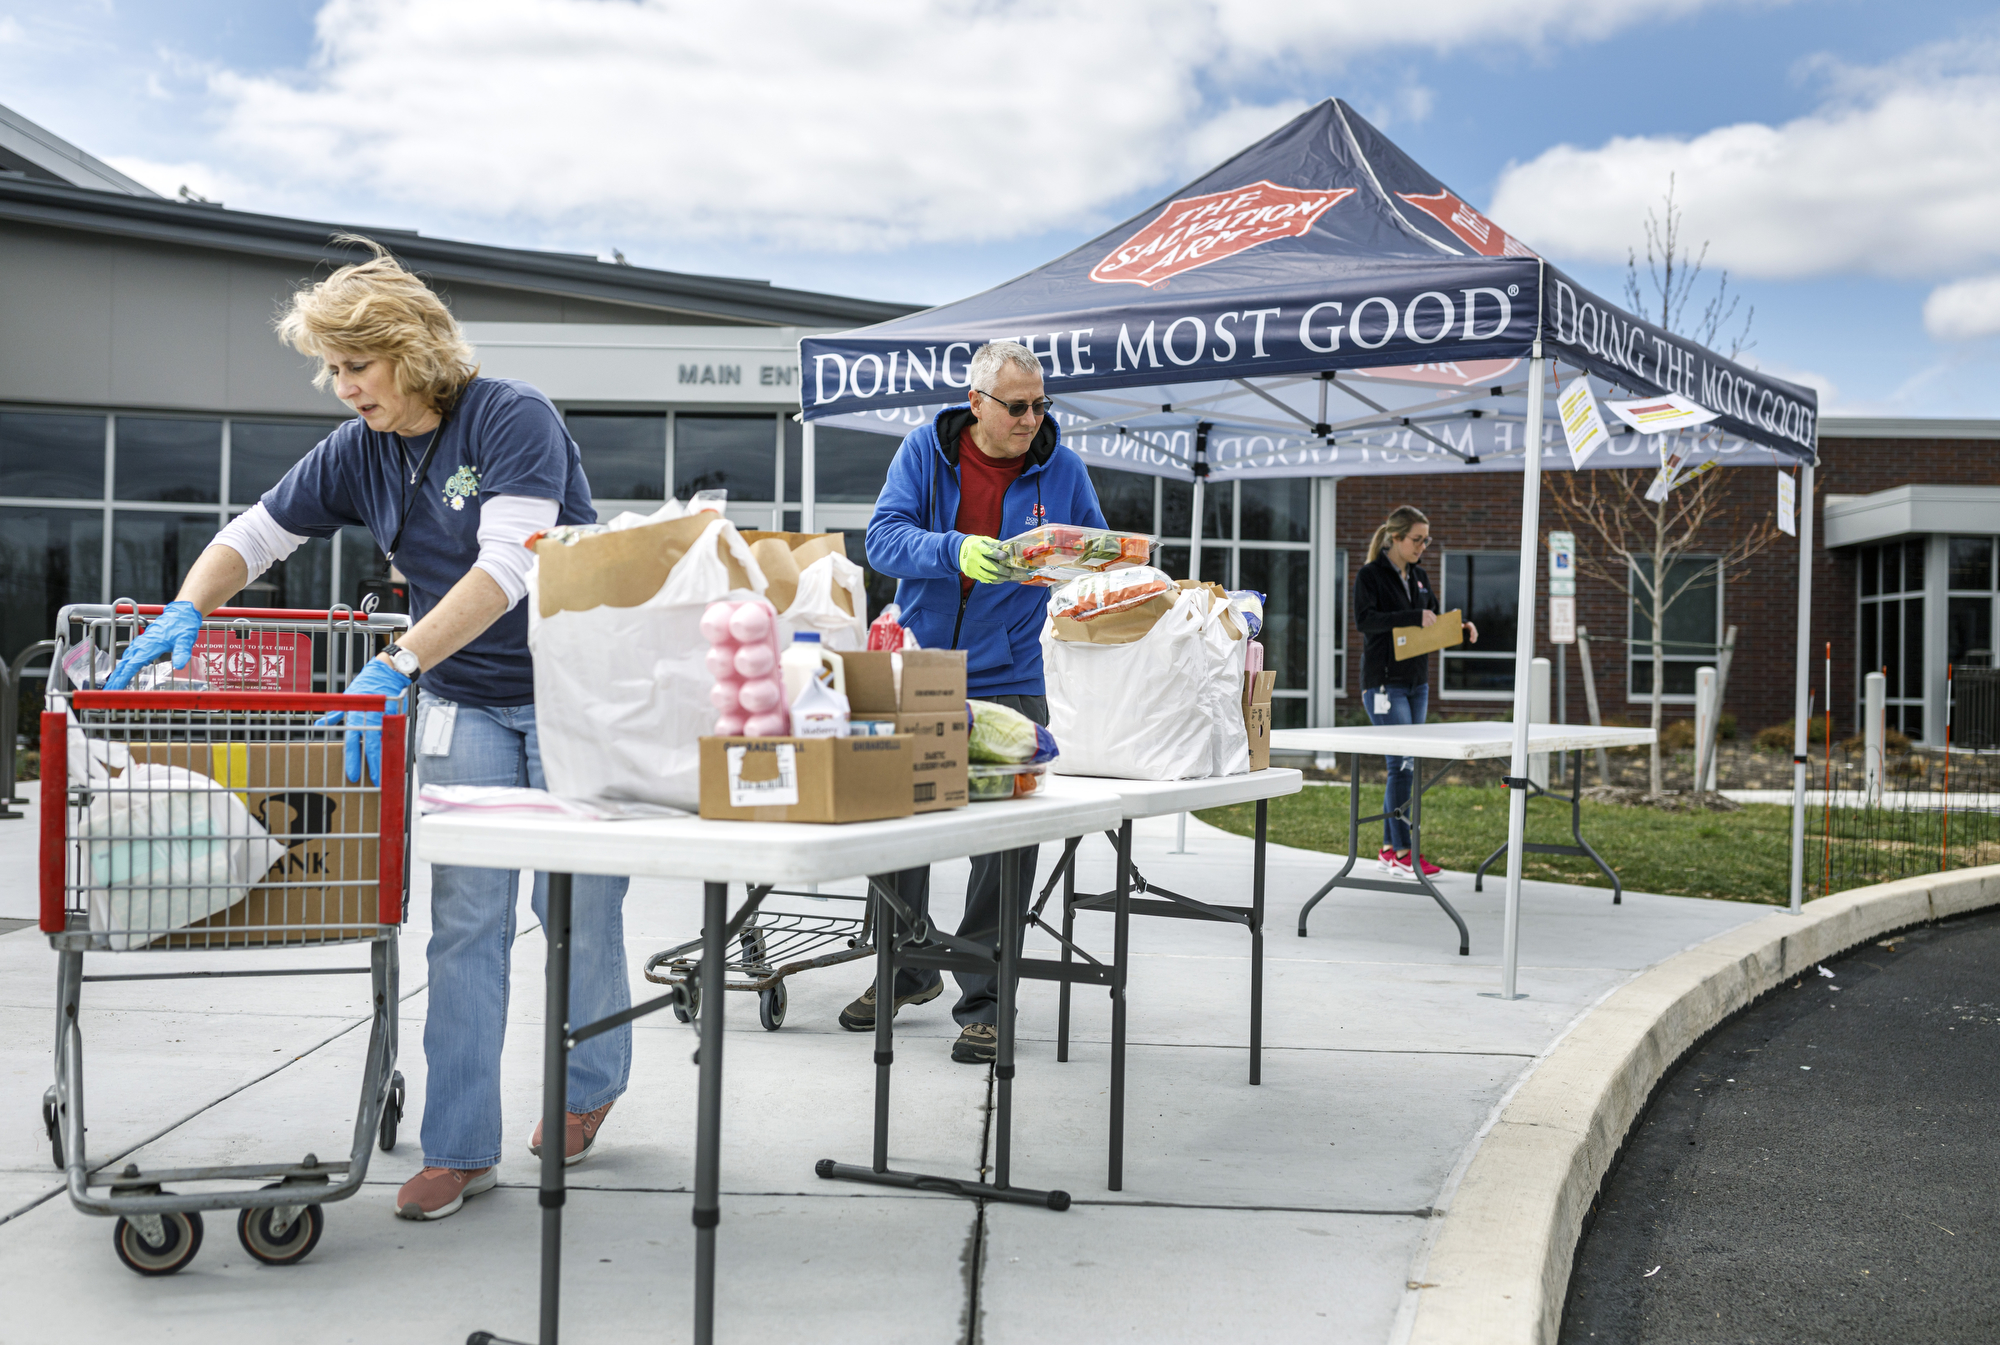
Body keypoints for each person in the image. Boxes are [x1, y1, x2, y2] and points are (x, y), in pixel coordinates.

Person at [102, 237, 632, 1222]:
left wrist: (394, 662)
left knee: (577, 913)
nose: (342, 387)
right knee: (465, 920)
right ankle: (462, 1144)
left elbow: (509, 567)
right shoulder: (360, 451)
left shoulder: (511, 419)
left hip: (573, 698)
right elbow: (255, 534)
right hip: (469, 699)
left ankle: (591, 1078)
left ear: (413, 349)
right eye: (333, 369)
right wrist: (187, 607)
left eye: (357, 365)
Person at [857, 340, 1107, 1063]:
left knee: (1002, 848)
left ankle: (986, 1002)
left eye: (1040, 405)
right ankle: (905, 968)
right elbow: (883, 540)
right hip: (925, 666)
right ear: (977, 403)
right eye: (1017, 406)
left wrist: (1067, 563)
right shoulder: (923, 452)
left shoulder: (1061, 467)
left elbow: (1091, 552)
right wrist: (956, 549)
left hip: (1010, 673)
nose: (1032, 418)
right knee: (898, 824)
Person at [1353, 505, 1478, 877]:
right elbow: (1365, 621)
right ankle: (1404, 851)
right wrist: (1411, 617)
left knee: (1405, 765)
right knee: (1402, 764)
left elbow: (1432, 622)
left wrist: (1460, 627)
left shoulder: (1420, 576)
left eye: (1426, 540)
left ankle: (1391, 849)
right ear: (1396, 538)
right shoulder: (1370, 575)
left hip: (1416, 683)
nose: (1423, 546)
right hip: (1383, 683)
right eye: (1417, 539)